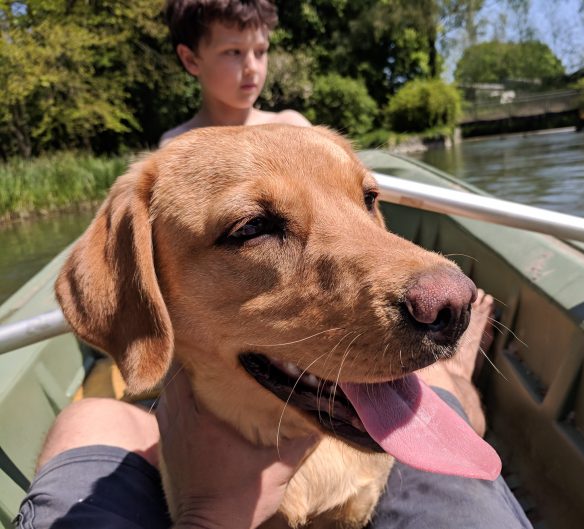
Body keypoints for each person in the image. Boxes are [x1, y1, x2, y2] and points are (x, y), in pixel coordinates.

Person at [15, 1, 532, 527]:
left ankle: (449, 377)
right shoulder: (171, 166)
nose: (251, 67)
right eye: (255, 227)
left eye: (367, 197)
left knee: (89, 417)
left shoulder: (300, 136)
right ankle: (452, 377)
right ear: (190, 59)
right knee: (445, 386)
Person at [159, 0, 310, 148]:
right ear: (190, 59)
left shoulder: (292, 130)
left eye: (260, 51)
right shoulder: (178, 147)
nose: (252, 67)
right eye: (233, 52)